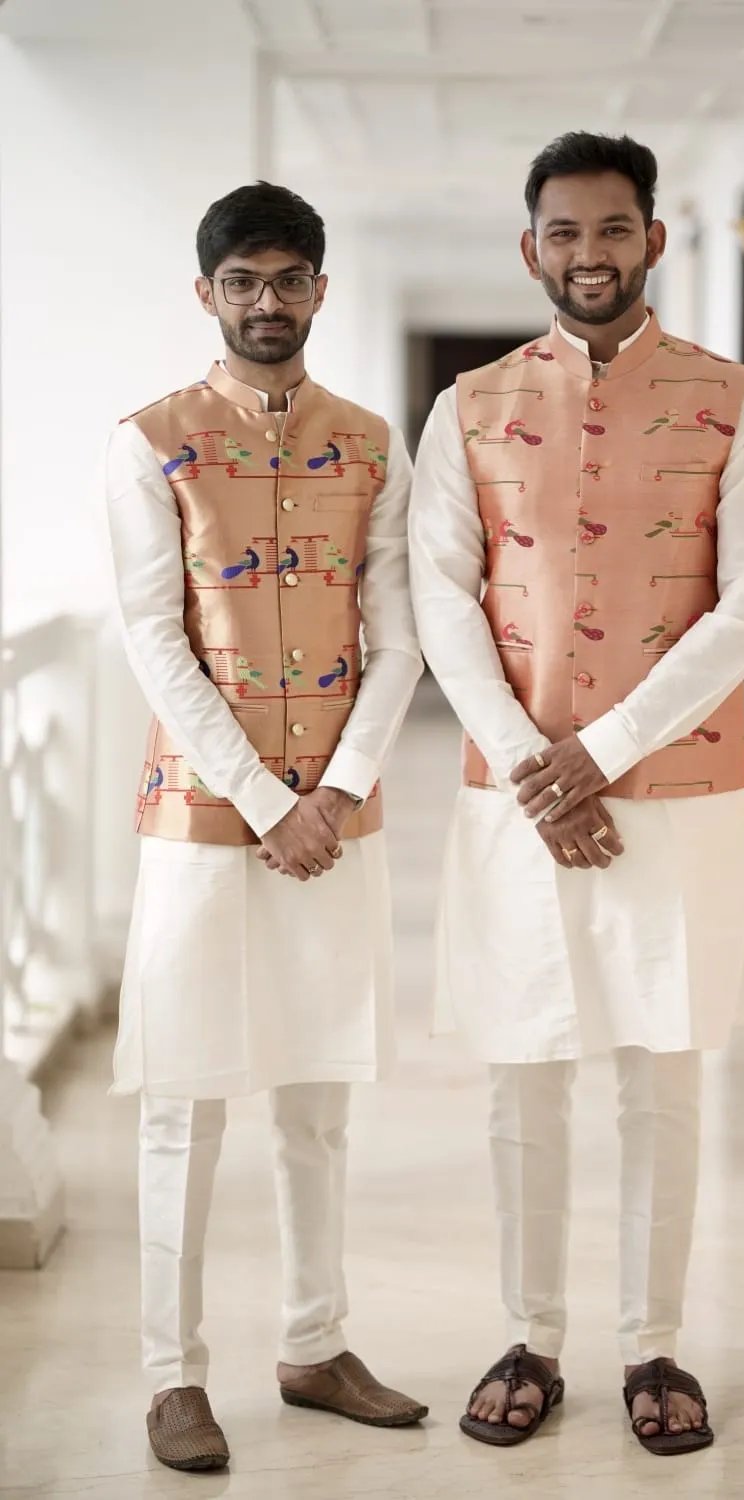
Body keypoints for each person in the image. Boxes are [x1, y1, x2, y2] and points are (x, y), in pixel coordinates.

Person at [409, 132, 744, 1457]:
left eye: (613, 228)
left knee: (661, 1078)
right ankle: (531, 1337)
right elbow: (441, 598)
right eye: (565, 232)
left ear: (654, 240)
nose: (590, 254)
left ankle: (652, 1346)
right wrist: (540, 763)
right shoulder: (467, 407)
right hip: (516, 799)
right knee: (525, 1076)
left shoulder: (736, 401)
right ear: (532, 249)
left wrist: (607, 747)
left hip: (680, 794)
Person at [105, 181, 426, 1473]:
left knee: (318, 1096)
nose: (267, 302)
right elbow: (155, 640)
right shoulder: (150, 442)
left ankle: (313, 1344)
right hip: (200, 818)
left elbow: (399, 637)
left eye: (289, 279)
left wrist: (334, 795)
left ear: (320, 290)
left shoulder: (371, 443)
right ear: (208, 294)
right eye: (242, 281)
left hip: (336, 821)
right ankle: (172, 1378)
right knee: (183, 1100)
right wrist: (267, 805)